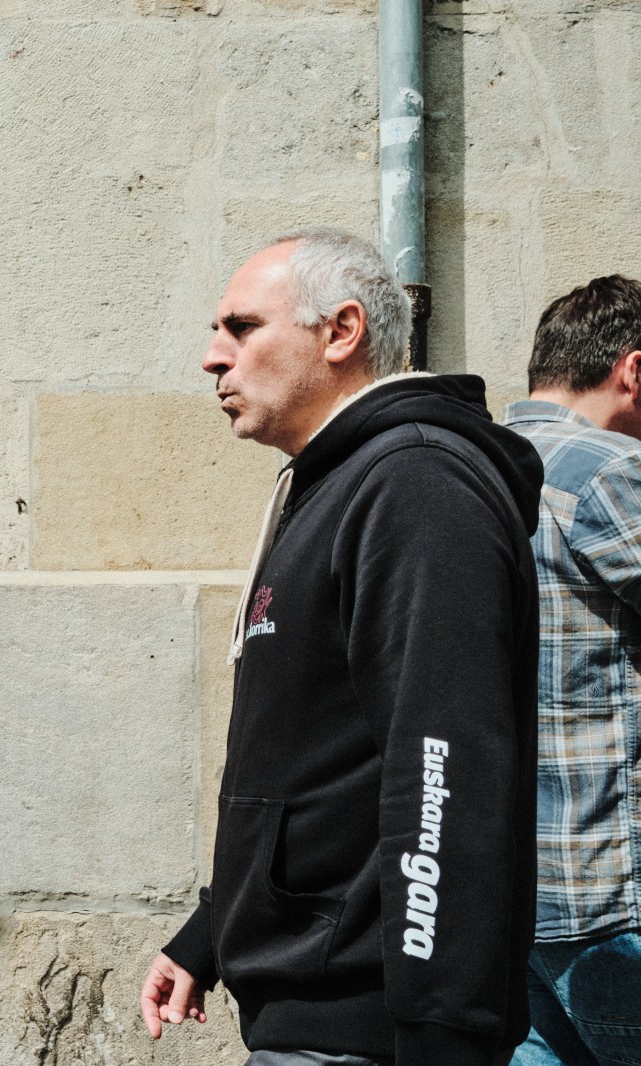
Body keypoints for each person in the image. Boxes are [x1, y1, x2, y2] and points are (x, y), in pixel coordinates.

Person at [139, 228, 542, 1065]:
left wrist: (441, 1029)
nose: (213, 359)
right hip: (307, 1015)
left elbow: (446, 766)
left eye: (241, 328)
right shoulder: (332, 487)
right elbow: (310, 757)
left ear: (342, 331)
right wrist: (211, 931)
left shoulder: (415, 486)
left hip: (373, 1029)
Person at [502, 275, 641, 1066]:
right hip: (608, 894)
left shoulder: (474, 464)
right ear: (633, 370)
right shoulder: (608, 469)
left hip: (510, 893)